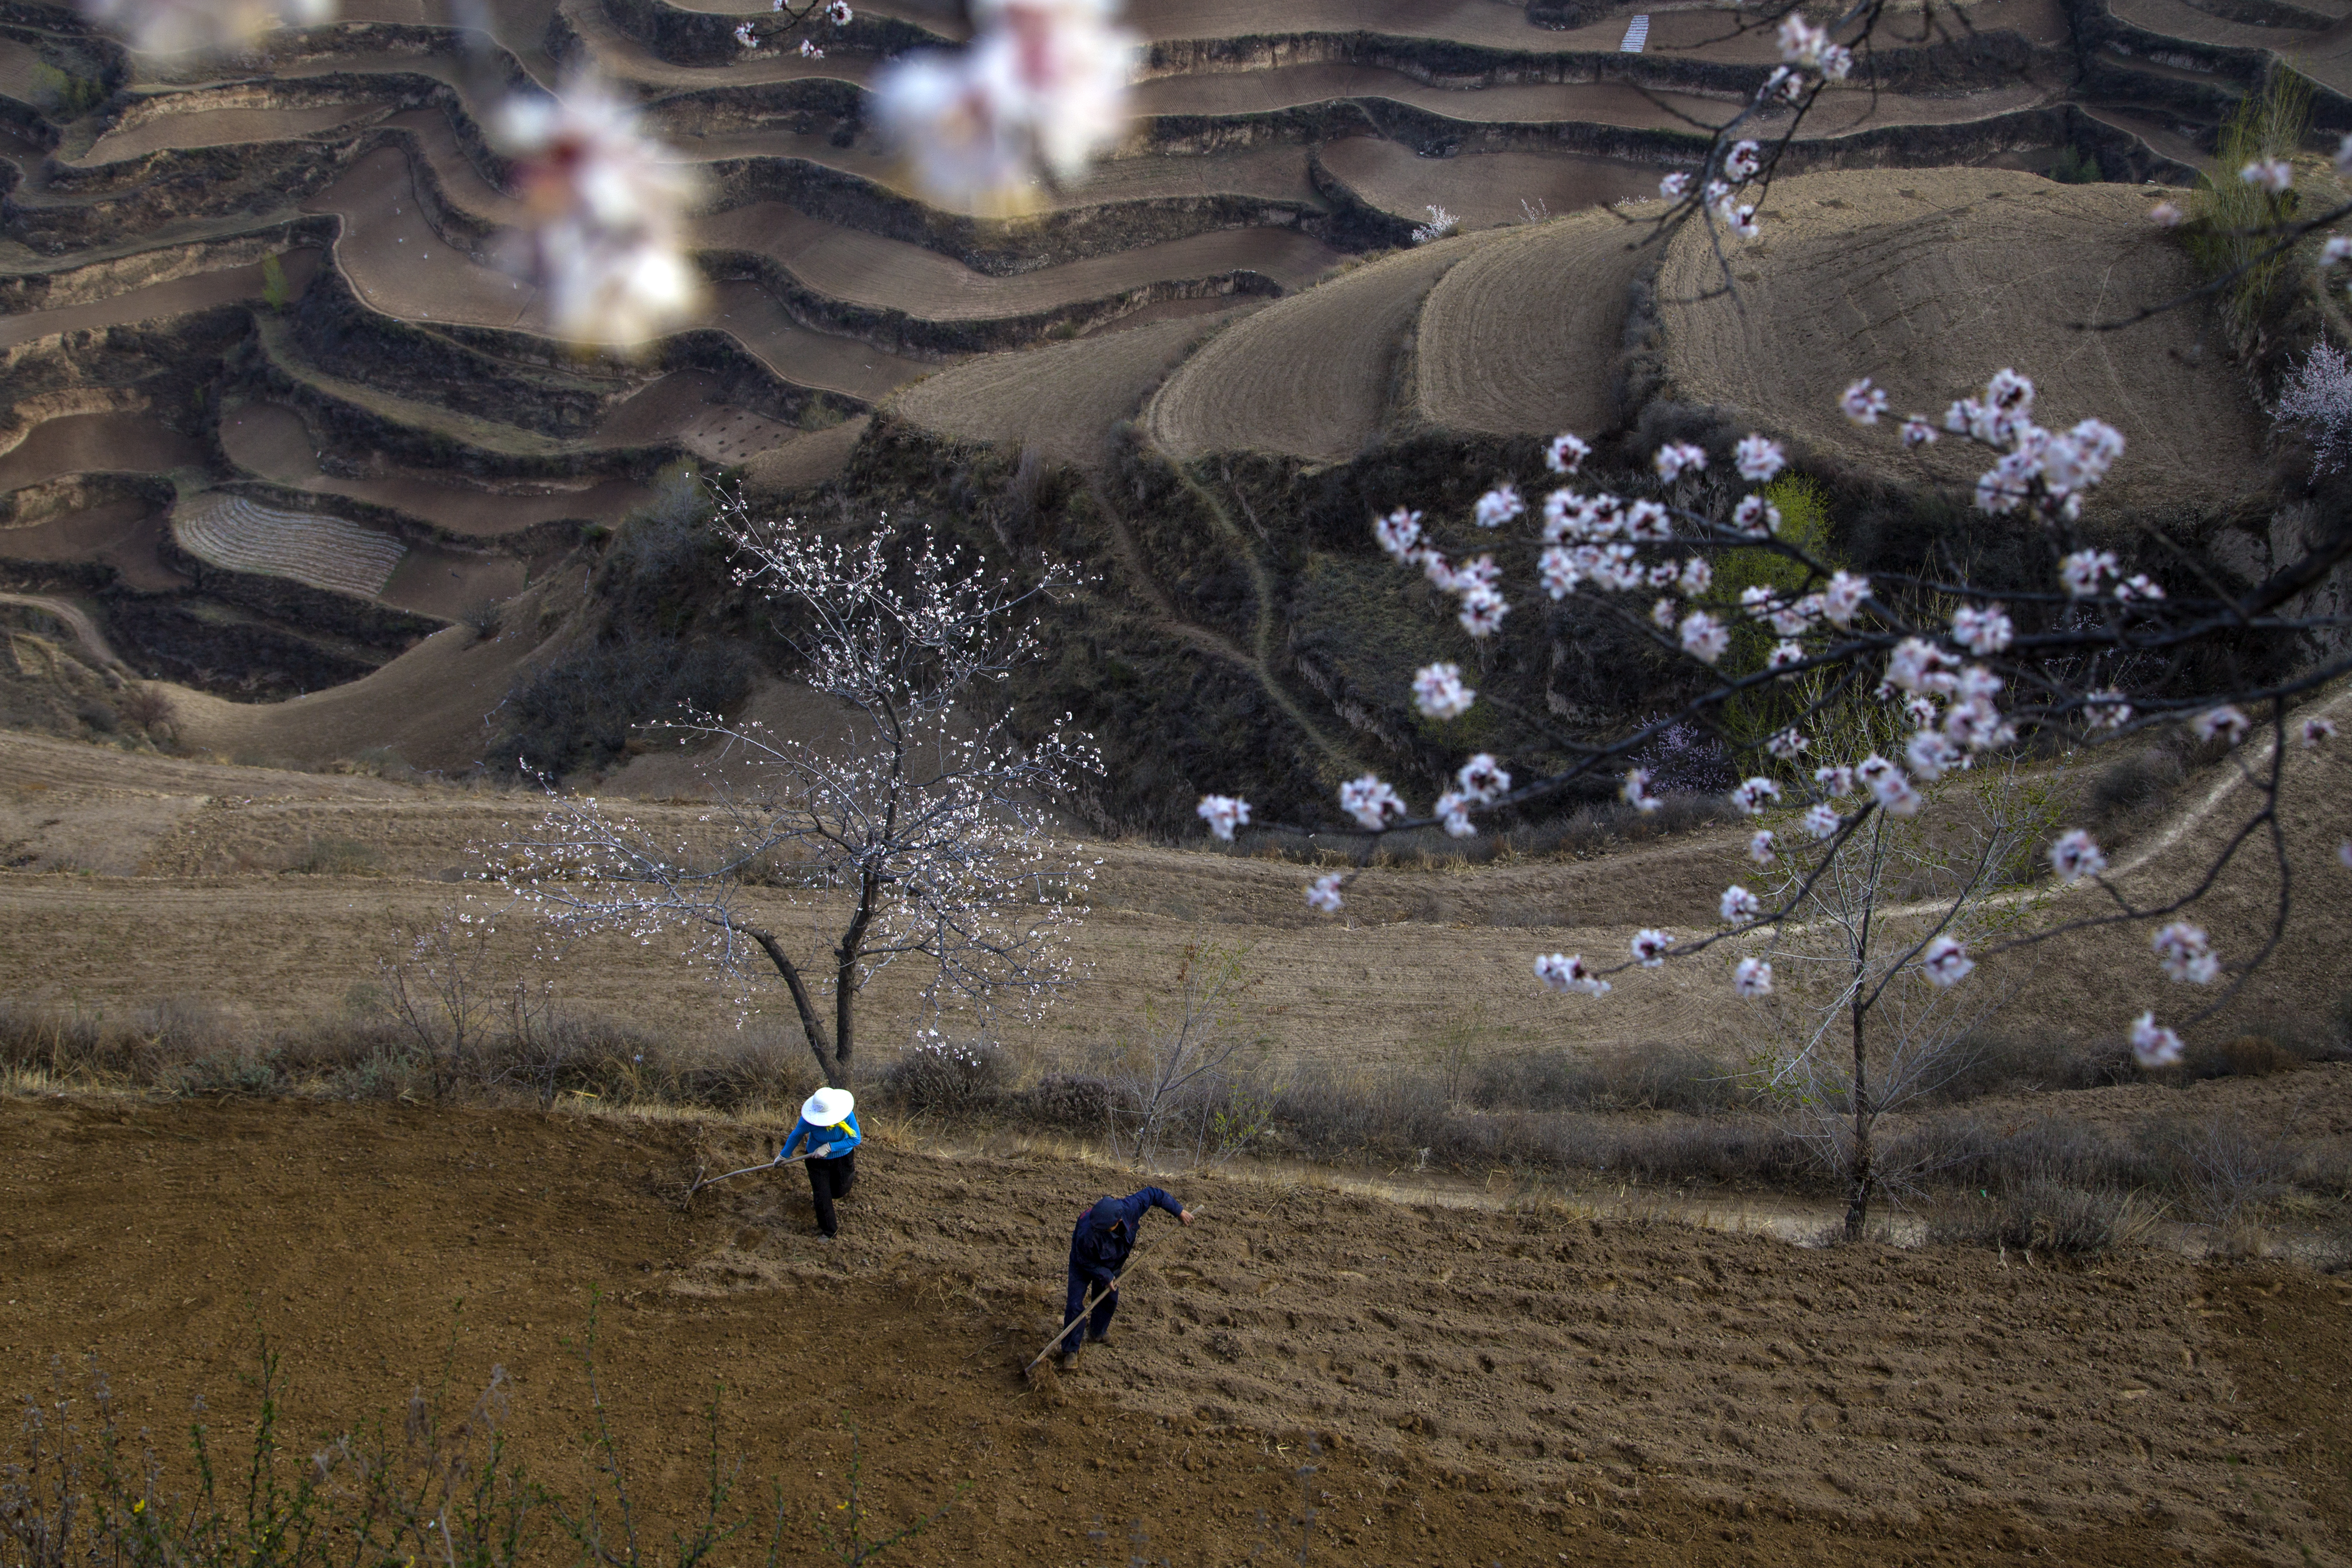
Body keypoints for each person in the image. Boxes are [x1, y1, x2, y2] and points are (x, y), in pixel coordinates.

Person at [1060, 1187, 1193, 1365]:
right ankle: (1071, 1350)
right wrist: (1104, 1275)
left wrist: (1179, 1211)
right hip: (1083, 1263)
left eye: (1104, 1229)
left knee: (1108, 1298)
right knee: (1075, 1305)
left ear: (1118, 1221)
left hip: (1113, 1261)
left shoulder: (1131, 1207)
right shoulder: (1087, 1232)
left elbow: (1154, 1194)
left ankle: (1098, 1332)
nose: (1098, 1230)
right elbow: (1083, 1260)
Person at [780, 1086, 861, 1239]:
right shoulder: (809, 1119)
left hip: (843, 1157)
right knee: (822, 1196)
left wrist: (830, 1147)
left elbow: (856, 1139)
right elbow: (796, 1135)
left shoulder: (847, 1115)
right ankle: (829, 1231)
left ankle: (830, 1195)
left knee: (840, 1190)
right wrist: (783, 1156)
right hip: (816, 1160)